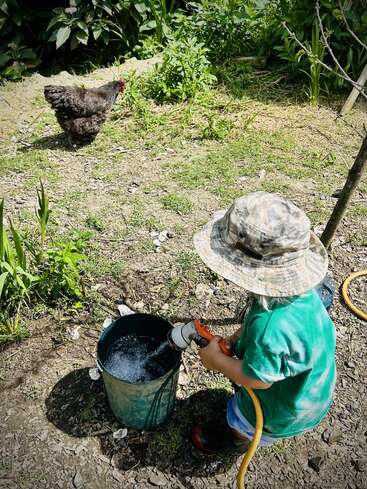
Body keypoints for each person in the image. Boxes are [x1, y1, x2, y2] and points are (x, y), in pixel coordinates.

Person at [191, 192, 336, 452]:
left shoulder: (268, 329)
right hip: (312, 391)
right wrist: (237, 338)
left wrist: (217, 362)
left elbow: (258, 380)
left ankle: (235, 440)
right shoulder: (304, 296)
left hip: (280, 410)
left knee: (241, 420)